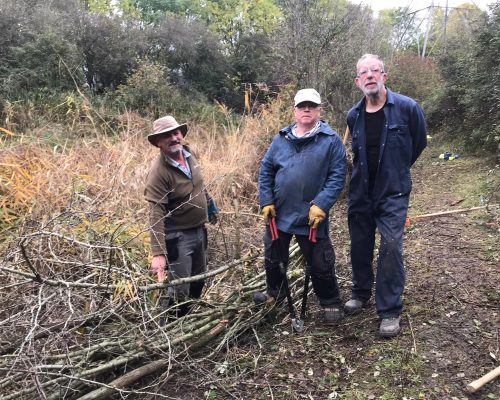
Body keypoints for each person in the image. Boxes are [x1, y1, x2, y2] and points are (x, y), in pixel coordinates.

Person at [345, 54, 427, 337]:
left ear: (384, 76)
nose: (369, 76)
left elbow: (418, 143)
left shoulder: (407, 108)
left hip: (393, 191)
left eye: (374, 71)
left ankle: (390, 310)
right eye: (363, 73)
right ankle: (361, 291)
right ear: (357, 81)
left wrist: (397, 170)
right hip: (361, 192)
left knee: (391, 247)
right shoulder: (353, 115)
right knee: (359, 244)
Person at [255, 88, 347, 324]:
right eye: (302, 106)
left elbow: (338, 176)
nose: (307, 109)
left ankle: (329, 302)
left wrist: (322, 204)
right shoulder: (281, 138)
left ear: (319, 110)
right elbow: (266, 170)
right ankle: (274, 297)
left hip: (312, 217)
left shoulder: (331, 141)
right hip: (280, 214)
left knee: (320, 262)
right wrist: (266, 200)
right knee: (274, 258)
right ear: (295, 110)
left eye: (312, 106)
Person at [144, 115, 218, 316]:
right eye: (166, 136)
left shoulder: (189, 153)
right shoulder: (158, 172)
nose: (173, 138)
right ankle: (172, 324)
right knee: (180, 287)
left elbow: (198, 185)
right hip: (178, 237)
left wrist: (209, 205)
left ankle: (189, 315)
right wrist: (158, 253)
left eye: (176, 133)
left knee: (199, 278)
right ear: (158, 143)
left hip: (199, 231)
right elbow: (155, 213)